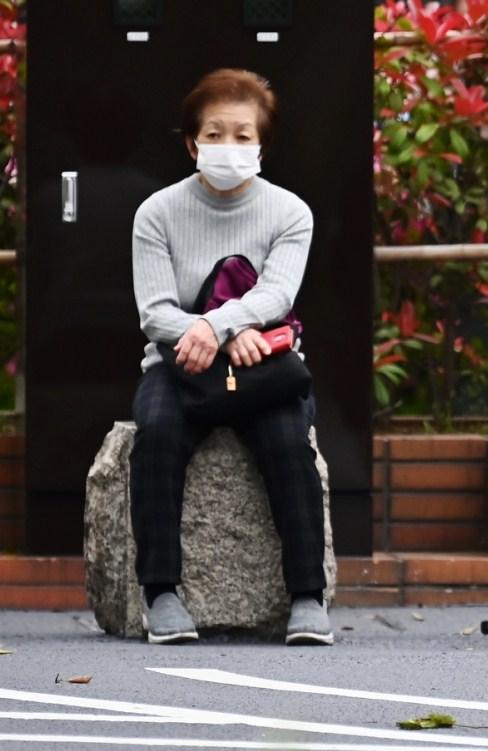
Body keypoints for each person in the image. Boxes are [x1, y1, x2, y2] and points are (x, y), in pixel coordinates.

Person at [130, 69, 330, 646]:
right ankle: (161, 593)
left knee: (289, 443)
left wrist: (218, 325)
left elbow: (277, 295)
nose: (229, 147)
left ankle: (307, 597)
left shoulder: (291, 212)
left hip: (262, 364)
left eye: (244, 136)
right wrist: (216, 335)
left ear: (263, 144)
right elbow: (156, 312)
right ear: (192, 143)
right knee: (158, 433)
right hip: (177, 363)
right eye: (215, 134)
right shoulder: (157, 212)